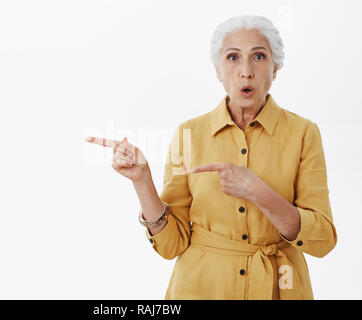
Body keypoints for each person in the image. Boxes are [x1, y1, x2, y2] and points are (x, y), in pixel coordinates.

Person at [84, 15, 337, 300]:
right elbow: (171, 245)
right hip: (201, 286)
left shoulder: (304, 133)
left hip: (281, 285)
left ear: (275, 67)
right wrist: (142, 181)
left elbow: (323, 240)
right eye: (232, 57)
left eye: (258, 56)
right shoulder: (189, 133)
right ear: (218, 70)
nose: (246, 71)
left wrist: (258, 192)